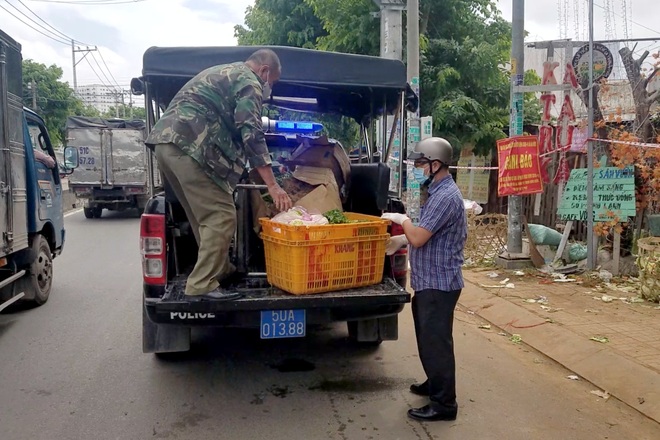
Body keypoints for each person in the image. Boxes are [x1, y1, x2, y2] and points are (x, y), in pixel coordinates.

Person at [146, 49, 293, 302]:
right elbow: (252, 133)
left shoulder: (225, 71)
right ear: (265, 71)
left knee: (203, 217)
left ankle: (220, 269)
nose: (270, 88)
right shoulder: (249, 80)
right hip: (191, 146)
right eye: (273, 82)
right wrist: (273, 186)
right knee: (222, 216)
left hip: (168, 145)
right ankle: (201, 284)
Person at [382, 137, 467, 422]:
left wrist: (401, 219)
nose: (418, 168)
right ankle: (435, 382)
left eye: (420, 164)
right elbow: (429, 234)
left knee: (436, 343)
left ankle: (445, 404)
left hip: (439, 283)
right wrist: (398, 238)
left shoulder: (445, 196)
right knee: (428, 339)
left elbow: (418, 237)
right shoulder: (438, 191)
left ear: (435, 164)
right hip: (430, 281)